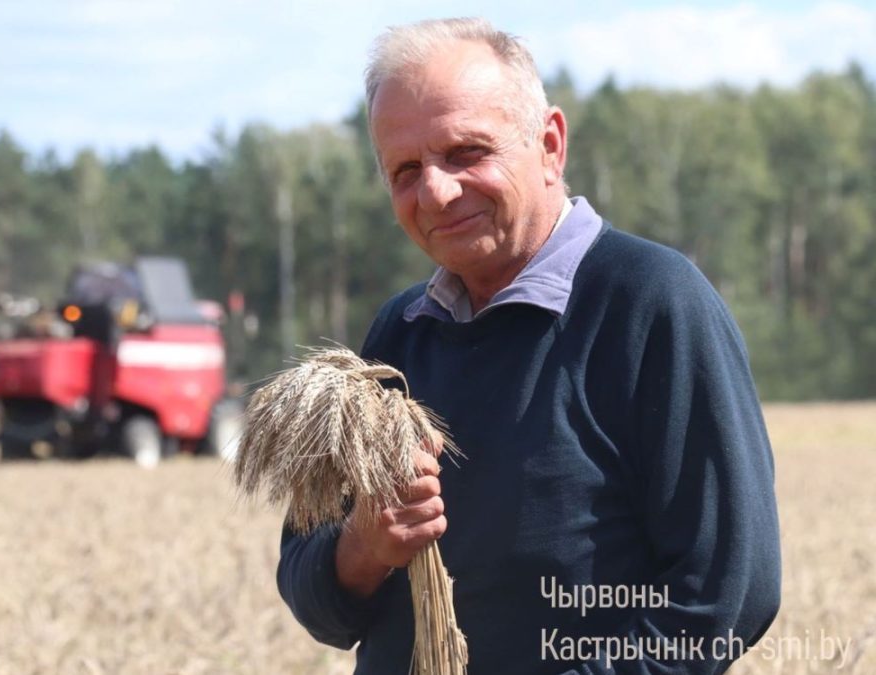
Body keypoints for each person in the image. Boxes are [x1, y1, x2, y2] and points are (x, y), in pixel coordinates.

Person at [277, 17, 781, 675]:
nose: (435, 190)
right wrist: (365, 547)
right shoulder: (397, 335)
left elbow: (727, 590)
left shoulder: (651, 302)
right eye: (405, 169)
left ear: (550, 144)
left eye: (465, 152)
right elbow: (311, 591)